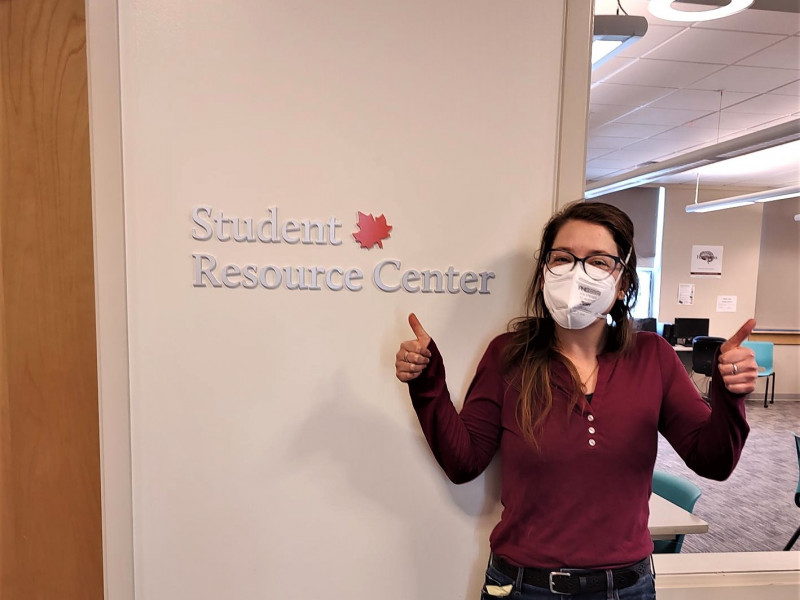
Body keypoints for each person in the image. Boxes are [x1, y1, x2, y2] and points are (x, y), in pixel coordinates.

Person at [394, 201, 756, 600]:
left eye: (598, 262)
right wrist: (427, 381)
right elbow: (463, 463)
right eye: (563, 258)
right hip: (522, 586)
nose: (577, 273)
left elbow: (714, 461)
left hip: (626, 588)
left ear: (622, 284)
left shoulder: (653, 357)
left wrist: (730, 393)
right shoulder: (508, 355)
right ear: (545, 272)